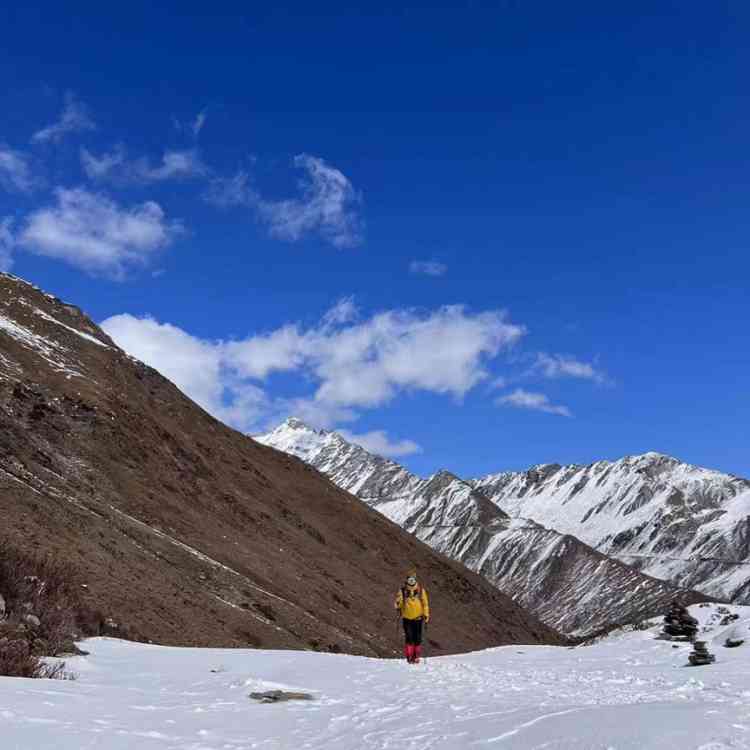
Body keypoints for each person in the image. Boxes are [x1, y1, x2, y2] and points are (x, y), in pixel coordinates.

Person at [394, 567, 430, 664]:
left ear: (415, 580)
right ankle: (410, 657)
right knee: (409, 637)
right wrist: (397, 603)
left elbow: (425, 604)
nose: (411, 581)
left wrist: (426, 615)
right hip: (407, 618)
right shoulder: (402, 591)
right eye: (409, 579)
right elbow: (399, 603)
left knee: (417, 638)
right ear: (407, 580)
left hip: (418, 618)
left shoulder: (421, 590)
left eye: (413, 579)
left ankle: (416, 656)